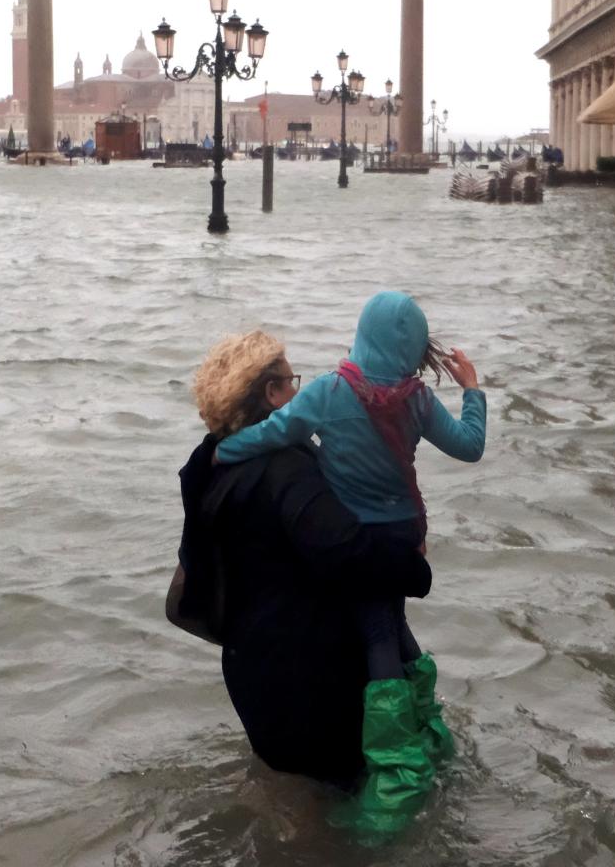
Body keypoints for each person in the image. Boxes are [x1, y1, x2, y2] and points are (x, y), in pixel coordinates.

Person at [214, 292, 485, 832]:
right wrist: (473, 391)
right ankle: (430, 730)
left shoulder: (329, 392)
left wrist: (223, 451)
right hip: (406, 534)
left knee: (378, 630)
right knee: (395, 624)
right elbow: (470, 446)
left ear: (362, 336)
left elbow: (277, 431)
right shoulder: (418, 402)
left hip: (360, 542)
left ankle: (395, 767)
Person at [172, 331, 433, 789]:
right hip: (310, 682)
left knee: (289, 802)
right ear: (272, 394)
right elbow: (347, 552)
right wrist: (415, 567)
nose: (298, 391)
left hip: (251, 672)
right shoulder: (285, 470)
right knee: (345, 811)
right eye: (291, 381)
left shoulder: (210, 465)